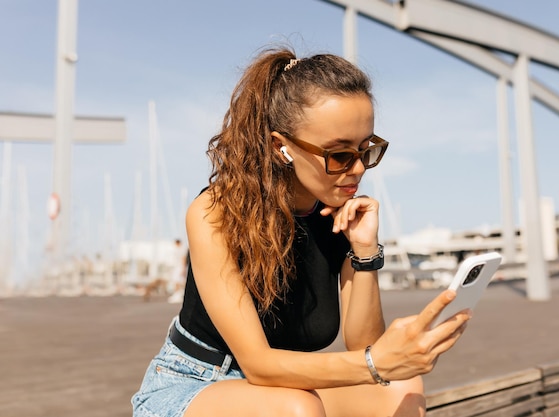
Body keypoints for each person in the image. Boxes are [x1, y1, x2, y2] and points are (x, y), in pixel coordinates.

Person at [132, 46, 471, 417]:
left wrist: (364, 252)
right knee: (297, 409)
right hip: (195, 384)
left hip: (286, 389)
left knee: (400, 389)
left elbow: (364, 344)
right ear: (282, 148)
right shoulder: (216, 212)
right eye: (340, 155)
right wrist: (378, 363)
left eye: (367, 150)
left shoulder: (339, 217)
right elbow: (261, 365)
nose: (357, 169)